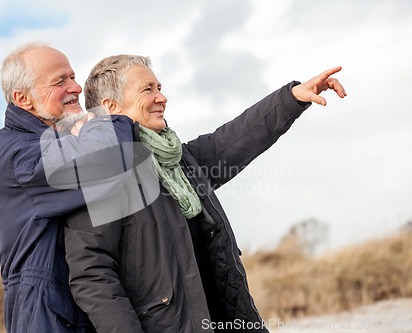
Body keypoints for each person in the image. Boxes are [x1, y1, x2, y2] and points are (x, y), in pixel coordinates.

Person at [63, 55, 346, 333]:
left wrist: (292, 98)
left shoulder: (180, 162)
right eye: (148, 89)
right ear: (112, 107)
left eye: (159, 87)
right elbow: (92, 275)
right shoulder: (101, 173)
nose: (162, 97)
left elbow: (234, 140)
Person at [0, 42, 117, 333]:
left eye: (72, 76)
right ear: (24, 98)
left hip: (82, 306)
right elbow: (103, 160)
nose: (77, 87)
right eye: (60, 80)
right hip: (46, 313)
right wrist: (113, 119)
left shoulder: (66, 136)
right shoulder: (12, 151)